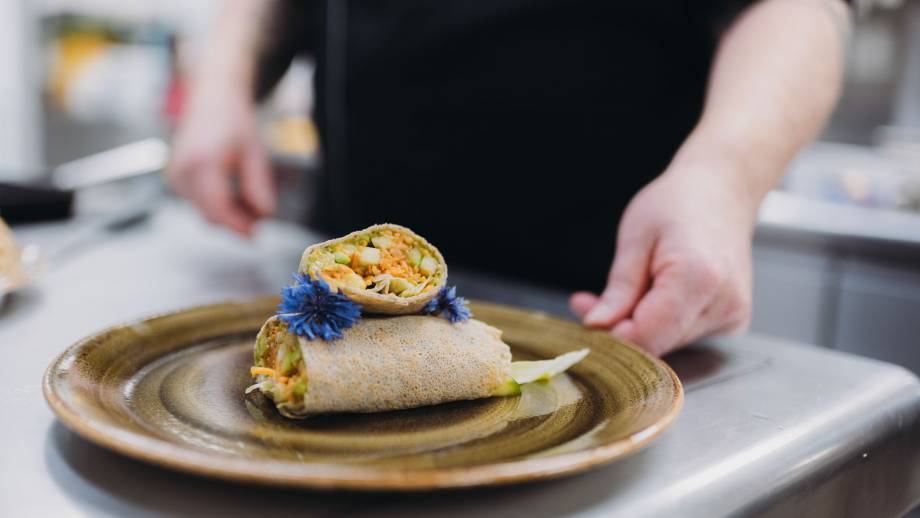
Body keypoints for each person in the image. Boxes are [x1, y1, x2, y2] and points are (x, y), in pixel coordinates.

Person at [169, 0, 850, 356]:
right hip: (341, 301)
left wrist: (723, 178)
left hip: (605, 303)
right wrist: (222, 85)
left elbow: (800, 7)